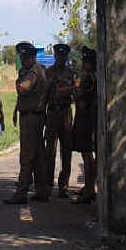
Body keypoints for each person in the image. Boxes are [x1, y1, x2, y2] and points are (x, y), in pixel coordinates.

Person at [5, 41, 48, 205]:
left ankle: (21, 192)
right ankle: (42, 190)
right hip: (34, 116)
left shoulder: (32, 73)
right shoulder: (38, 70)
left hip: (31, 118)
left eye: (24, 57)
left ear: (31, 57)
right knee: (37, 156)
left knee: (27, 156)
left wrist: (18, 80)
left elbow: (22, 89)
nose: (22, 60)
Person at [42, 43, 77, 199]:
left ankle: (63, 186)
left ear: (66, 57)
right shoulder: (48, 73)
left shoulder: (71, 74)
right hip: (52, 112)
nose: (61, 58)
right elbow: (43, 95)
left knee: (66, 150)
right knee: (49, 151)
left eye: (64, 56)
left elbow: (75, 94)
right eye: (58, 55)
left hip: (65, 112)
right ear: (55, 56)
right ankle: (48, 185)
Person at [71, 47, 99, 204]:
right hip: (91, 117)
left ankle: (88, 189)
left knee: (87, 155)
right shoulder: (97, 77)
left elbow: (76, 96)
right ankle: (88, 188)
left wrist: (74, 89)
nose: (83, 64)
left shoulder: (89, 78)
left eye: (86, 61)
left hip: (86, 119)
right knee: (89, 155)